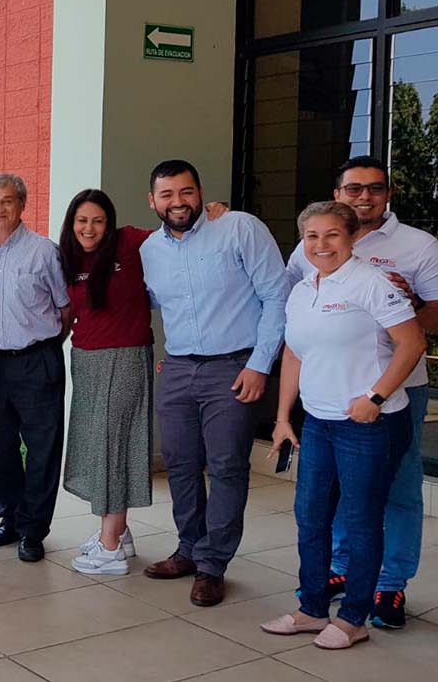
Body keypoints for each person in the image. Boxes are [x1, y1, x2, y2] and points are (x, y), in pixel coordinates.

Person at [261, 201, 423, 650]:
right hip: (319, 422)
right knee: (310, 516)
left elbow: (413, 343)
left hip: (368, 426)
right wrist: (281, 419)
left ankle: (354, 618)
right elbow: (294, 354)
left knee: (361, 520)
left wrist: (375, 398)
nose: (321, 245)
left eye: (331, 234)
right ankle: (312, 609)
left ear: (351, 237)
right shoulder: (302, 290)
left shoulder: (371, 283)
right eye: (311, 236)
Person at [286, 156, 438, 629]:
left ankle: (389, 585)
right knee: (332, 496)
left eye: (374, 188)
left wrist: (399, 314)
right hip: (329, 397)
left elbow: (426, 323)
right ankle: (342, 571)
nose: (364, 196)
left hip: (395, 391)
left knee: (396, 491)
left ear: (387, 194)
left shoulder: (418, 245)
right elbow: (299, 315)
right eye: (354, 189)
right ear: (339, 194)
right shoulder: (310, 245)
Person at [139, 159, 290, 607]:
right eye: (166, 195)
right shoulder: (149, 250)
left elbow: (276, 295)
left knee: (226, 467)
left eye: (186, 192)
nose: (178, 202)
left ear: (200, 192)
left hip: (235, 365)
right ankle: (188, 549)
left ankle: (212, 565)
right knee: (180, 465)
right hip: (180, 366)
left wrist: (261, 364)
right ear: (153, 202)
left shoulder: (239, 228)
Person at [0, 173, 71, 563]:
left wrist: (42, 347)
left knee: (43, 447)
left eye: (7, 201)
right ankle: (9, 517)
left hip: (37, 359)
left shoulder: (45, 252)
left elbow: (65, 309)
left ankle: (33, 530)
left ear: (22, 204)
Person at [57, 190, 155, 576]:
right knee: (101, 444)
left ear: (109, 223)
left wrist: (216, 215)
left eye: (98, 220)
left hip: (125, 357)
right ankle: (121, 533)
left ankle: (110, 548)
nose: (89, 228)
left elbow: (178, 233)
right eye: (82, 220)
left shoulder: (131, 242)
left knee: (114, 445)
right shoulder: (69, 258)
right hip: (86, 359)